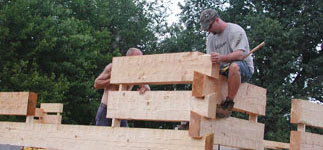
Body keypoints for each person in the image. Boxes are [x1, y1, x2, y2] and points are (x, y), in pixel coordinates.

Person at [200, 9, 254, 118]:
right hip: (224, 69)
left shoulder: (235, 31)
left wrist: (221, 58)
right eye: (207, 29)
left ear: (217, 20)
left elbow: (239, 55)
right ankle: (198, 109)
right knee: (202, 73)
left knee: (234, 66)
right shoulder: (211, 38)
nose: (209, 31)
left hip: (243, 68)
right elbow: (211, 61)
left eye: (209, 27)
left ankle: (228, 104)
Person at [94, 48, 150, 126]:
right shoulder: (113, 67)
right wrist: (112, 80)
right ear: (128, 58)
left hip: (120, 109)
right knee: (101, 137)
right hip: (105, 108)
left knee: (123, 137)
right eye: (137, 58)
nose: (139, 61)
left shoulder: (136, 72)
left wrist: (144, 89)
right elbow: (96, 84)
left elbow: (146, 87)